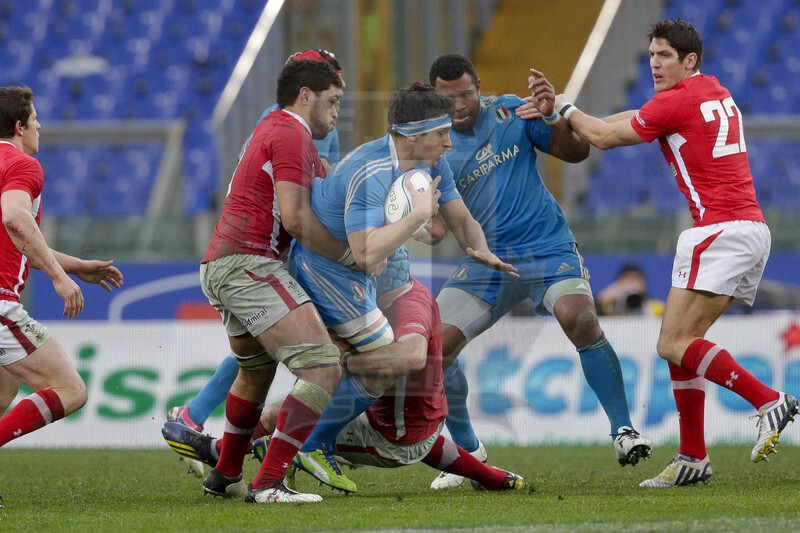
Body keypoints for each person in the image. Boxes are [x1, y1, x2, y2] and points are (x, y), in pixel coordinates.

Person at [531, 18, 798, 487]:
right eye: (652, 55)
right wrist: (567, 114)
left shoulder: (677, 101)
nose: (654, 64)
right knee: (682, 345)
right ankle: (693, 457)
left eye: (664, 56)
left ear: (689, 60)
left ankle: (768, 400)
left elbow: (604, 137)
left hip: (718, 229)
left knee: (672, 344)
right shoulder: (709, 90)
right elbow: (626, 119)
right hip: (748, 228)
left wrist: (565, 107)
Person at [426, 54, 652, 489]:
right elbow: (435, 230)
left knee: (579, 318)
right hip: (487, 260)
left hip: (547, 248)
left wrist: (552, 119)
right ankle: (469, 453)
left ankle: (624, 430)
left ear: (479, 87)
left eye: (466, 94)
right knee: (435, 349)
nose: (458, 104)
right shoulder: (433, 147)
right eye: (447, 98)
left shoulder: (512, 111)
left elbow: (576, 152)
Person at [284, 82, 516, 488]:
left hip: (361, 275)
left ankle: (232, 455)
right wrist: (418, 216)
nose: (449, 142)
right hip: (325, 270)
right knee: (397, 360)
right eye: (441, 133)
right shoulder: (370, 171)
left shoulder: (430, 163)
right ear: (412, 135)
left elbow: (461, 220)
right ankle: (312, 443)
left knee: (402, 359)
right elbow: (365, 254)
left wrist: (481, 250)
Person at [163, 249, 527, 494]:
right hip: (417, 426)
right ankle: (492, 477)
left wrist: (341, 361)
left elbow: (411, 355)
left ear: (379, 270)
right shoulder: (386, 297)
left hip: (392, 435)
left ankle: (236, 456)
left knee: (280, 414)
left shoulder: (405, 306)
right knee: (417, 433)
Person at [165, 48, 347, 478]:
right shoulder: (293, 133)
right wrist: (349, 254)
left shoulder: (274, 124)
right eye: (334, 98)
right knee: (323, 366)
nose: (339, 108)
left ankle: (225, 472)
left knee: (255, 371)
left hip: (228, 260)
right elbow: (298, 217)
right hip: (251, 262)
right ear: (306, 94)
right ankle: (271, 479)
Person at [0, 87, 124, 464]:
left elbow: (18, 239)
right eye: (35, 118)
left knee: (4, 392)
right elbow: (16, 219)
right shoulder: (21, 165)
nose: (40, 126)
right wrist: (57, 276)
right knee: (70, 389)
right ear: (19, 126)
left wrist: (75, 266)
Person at [596, 263, 664, 316]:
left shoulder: (654, 308)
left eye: (636, 278)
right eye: (627, 278)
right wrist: (601, 299)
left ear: (644, 283)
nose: (632, 281)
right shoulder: (609, 308)